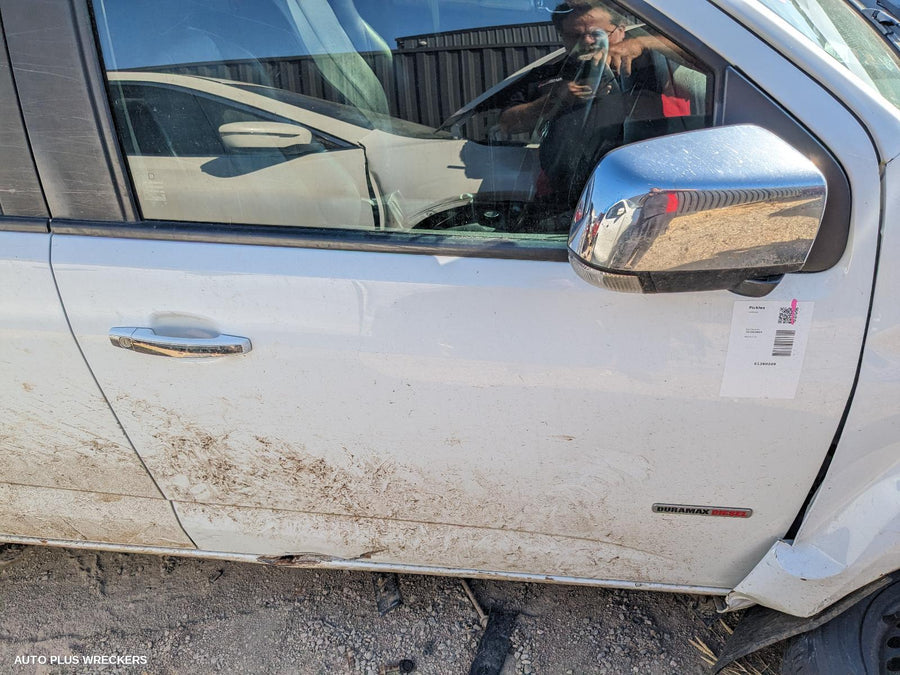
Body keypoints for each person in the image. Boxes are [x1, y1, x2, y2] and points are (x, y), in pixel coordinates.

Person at [498, 1, 630, 206]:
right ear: (561, 36)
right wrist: (553, 100)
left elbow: (692, 51)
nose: (587, 41)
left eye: (598, 33)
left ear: (621, 30)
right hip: (558, 196)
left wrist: (641, 44)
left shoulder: (643, 65)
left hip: (629, 192)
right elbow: (507, 123)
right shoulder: (544, 75)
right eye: (575, 35)